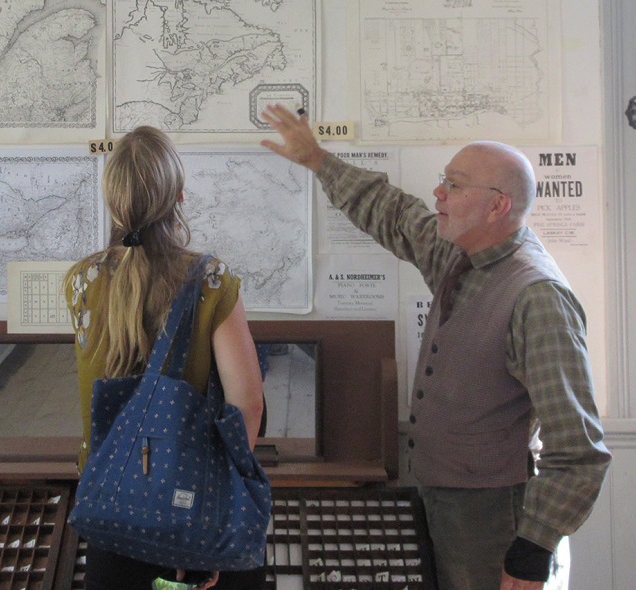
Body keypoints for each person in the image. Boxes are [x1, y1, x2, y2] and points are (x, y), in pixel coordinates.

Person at [259, 104, 611, 590]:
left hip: (493, 518)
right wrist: (318, 159)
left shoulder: (537, 297)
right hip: (438, 498)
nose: (438, 193)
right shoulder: (461, 253)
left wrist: (533, 548)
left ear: (497, 205)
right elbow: (393, 212)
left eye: (455, 184)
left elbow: (578, 448)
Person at [63, 125, 267, 590]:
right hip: (186, 502)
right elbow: (248, 404)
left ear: (113, 199)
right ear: (178, 196)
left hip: (112, 502)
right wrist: (217, 506)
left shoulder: (81, 281)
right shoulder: (211, 281)